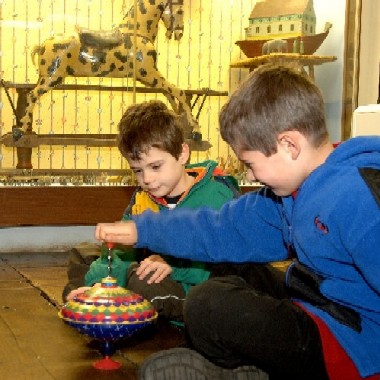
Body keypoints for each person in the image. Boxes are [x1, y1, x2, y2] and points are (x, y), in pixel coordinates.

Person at [94, 64, 380, 380]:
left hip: (352, 347)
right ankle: (248, 366)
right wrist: (141, 230)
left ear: (289, 145)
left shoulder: (359, 197)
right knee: (229, 267)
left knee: (211, 305)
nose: (251, 175)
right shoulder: (291, 193)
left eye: (251, 163)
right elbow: (221, 227)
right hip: (315, 307)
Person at [65, 99, 240, 324]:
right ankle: (95, 293)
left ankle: (117, 295)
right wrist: (90, 287)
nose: (147, 179)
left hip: (199, 288)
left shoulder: (218, 196)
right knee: (83, 254)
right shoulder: (143, 198)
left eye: (156, 166)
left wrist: (173, 266)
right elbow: (120, 250)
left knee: (142, 280)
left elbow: (232, 264)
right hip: (148, 271)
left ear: (182, 153)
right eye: (138, 170)